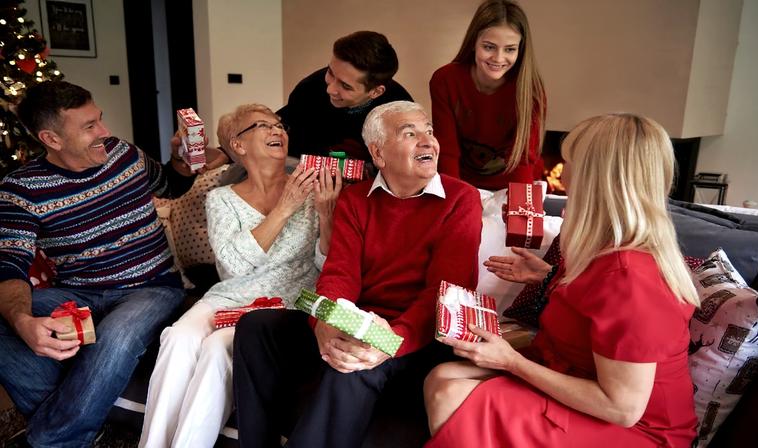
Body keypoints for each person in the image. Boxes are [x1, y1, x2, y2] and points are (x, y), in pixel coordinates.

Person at [423, 113, 700, 447]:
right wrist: (548, 277)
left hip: (637, 432)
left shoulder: (631, 278)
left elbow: (623, 409)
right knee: (443, 376)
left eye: (569, 161)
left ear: (594, 178)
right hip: (578, 378)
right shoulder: (604, 246)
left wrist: (510, 361)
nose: (560, 172)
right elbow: (596, 309)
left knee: (452, 391)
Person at [232, 101, 482, 448]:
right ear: (378, 154)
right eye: (410, 133)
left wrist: (390, 342)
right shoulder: (355, 199)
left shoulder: (461, 199)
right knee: (256, 327)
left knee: (350, 368)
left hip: (416, 337)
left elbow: (446, 293)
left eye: (429, 131)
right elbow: (339, 274)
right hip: (360, 322)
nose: (428, 142)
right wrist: (325, 323)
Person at [0, 81, 202, 447]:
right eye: (89, 126)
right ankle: (71, 424)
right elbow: (9, 265)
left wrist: (182, 161)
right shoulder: (21, 188)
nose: (105, 133)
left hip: (152, 286)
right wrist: (22, 320)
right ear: (52, 139)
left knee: (118, 335)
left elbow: (170, 185)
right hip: (79, 292)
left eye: (100, 120)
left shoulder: (123, 154)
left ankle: (51, 439)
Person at [138, 104, 341, 448]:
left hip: (284, 301)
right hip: (230, 294)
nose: (278, 131)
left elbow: (328, 265)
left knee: (219, 348)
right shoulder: (220, 199)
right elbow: (232, 266)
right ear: (239, 144)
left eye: (280, 125)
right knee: (177, 337)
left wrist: (325, 214)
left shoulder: (313, 191)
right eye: (263, 125)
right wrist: (284, 209)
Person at [430, 0, 546, 190]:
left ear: (521, 49)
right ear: (474, 42)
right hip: (462, 182)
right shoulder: (445, 80)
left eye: (510, 49)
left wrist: (518, 208)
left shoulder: (530, 90)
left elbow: (524, 159)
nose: (498, 58)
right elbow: (447, 151)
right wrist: (456, 199)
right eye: (489, 47)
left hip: (514, 185)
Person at [280, 30, 413, 163]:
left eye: (345, 86)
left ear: (376, 92)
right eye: (330, 73)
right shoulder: (308, 90)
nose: (330, 89)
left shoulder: (401, 114)